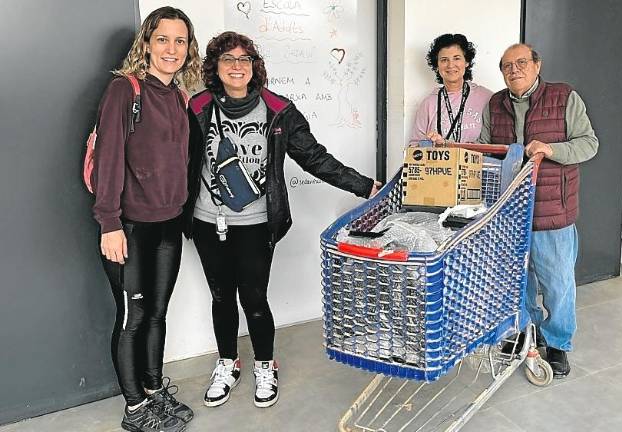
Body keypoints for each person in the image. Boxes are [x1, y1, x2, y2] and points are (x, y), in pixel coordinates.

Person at [184, 31, 379, 409]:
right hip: (208, 220)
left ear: (255, 66)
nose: (237, 66)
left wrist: (365, 186)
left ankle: (263, 364)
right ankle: (227, 363)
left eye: (245, 59)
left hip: (257, 224)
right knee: (221, 297)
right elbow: (176, 160)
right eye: (228, 59)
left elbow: (315, 158)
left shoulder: (278, 110)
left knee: (254, 299)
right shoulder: (197, 107)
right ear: (215, 68)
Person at [91, 6, 202, 432]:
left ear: (187, 49)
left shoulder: (177, 95)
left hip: (168, 225)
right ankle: (135, 409)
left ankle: (154, 390)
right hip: (130, 229)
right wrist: (109, 223)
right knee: (132, 319)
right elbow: (108, 161)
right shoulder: (126, 90)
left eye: (180, 41)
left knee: (157, 312)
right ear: (147, 43)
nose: (171, 49)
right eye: (162, 39)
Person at [478, 43, 599, 378]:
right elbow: (488, 152)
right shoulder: (495, 103)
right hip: (510, 213)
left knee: (557, 283)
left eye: (521, 63)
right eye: (506, 66)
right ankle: (527, 334)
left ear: (536, 65)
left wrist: (552, 149)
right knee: (517, 283)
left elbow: (589, 143)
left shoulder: (564, 97)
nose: (514, 70)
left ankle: (558, 343)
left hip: (552, 212)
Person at [409, 33, 493, 146]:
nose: (450, 65)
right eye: (444, 60)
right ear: (437, 66)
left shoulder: (486, 97)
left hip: (478, 163)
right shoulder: (428, 104)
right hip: (438, 163)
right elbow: (414, 148)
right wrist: (430, 144)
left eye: (456, 58)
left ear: (467, 62)